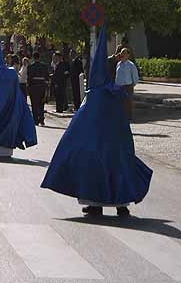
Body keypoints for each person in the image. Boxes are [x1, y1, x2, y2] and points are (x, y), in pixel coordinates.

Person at [41, 24, 152, 217]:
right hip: (115, 146)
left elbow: (76, 130)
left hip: (97, 148)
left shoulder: (92, 98)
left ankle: (95, 205)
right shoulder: (116, 94)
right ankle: (120, 205)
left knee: (93, 167)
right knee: (118, 168)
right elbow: (123, 124)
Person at [115, 48, 139, 121]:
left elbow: (135, 76)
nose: (122, 55)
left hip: (127, 86)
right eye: (122, 53)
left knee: (128, 103)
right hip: (119, 87)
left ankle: (129, 118)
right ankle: (120, 118)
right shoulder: (118, 64)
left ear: (128, 55)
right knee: (119, 103)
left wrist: (133, 84)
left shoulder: (131, 65)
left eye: (124, 53)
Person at [27, 52, 50, 126]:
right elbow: (47, 77)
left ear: (33, 58)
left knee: (34, 104)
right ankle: (41, 119)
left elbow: (29, 78)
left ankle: (35, 120)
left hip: (33, 87)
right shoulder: (44, 66)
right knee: (41, 104)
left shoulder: (30, 67)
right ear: (39, 58)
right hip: (42, 86)